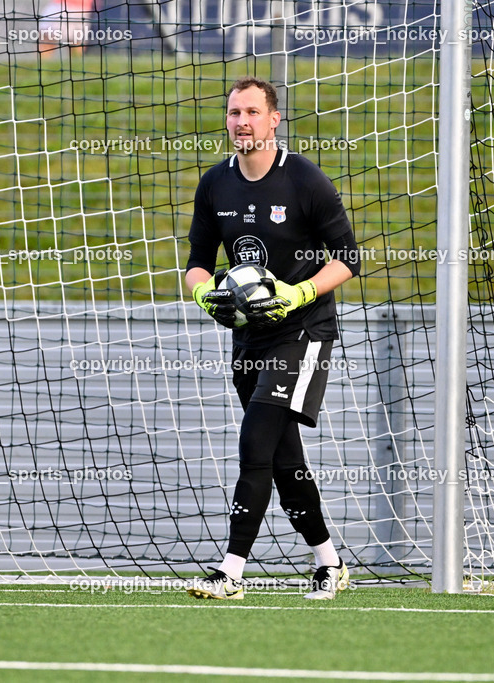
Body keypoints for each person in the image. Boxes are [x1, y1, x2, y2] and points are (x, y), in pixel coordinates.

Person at [184, 76, 361, 601]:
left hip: (303, 331)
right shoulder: (215, 184)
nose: (242, 121)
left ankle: (231, 571)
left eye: (252, 112)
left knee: (256, 441)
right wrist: (204, 296)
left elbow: (348, 259)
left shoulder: (306, 180)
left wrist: (296, 293)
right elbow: (197, 264)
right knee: (284, 457)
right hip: (249, 339)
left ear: (274, 118)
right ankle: (329, 563)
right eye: (234, 112)